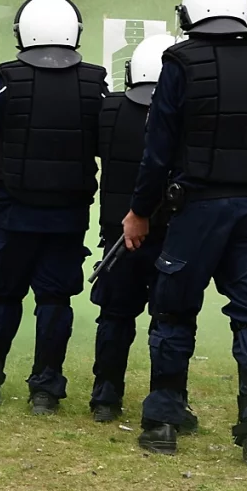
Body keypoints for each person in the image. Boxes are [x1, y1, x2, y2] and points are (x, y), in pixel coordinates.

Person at [121, 0, 247, 465]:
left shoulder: (179, 61)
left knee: (174, 312)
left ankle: (162, 423)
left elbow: (157, 150)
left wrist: (139, 211)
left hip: (197, 209)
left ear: (189, 14)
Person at [0, 0, 107, 416]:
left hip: (13, 214)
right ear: (74, 32)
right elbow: (105, 142)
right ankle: (45, 391)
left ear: (23, 32)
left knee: (4, 296)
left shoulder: (5, 81)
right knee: (55, 301)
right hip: (69, 217)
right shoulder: (96, 85)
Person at [89, 33, 197, 433]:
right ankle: (170, 402)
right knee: (170, 321)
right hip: (173, 236)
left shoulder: (110, 109)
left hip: (120, 235)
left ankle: (105, 397)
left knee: (114, 316)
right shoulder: (189, 113)